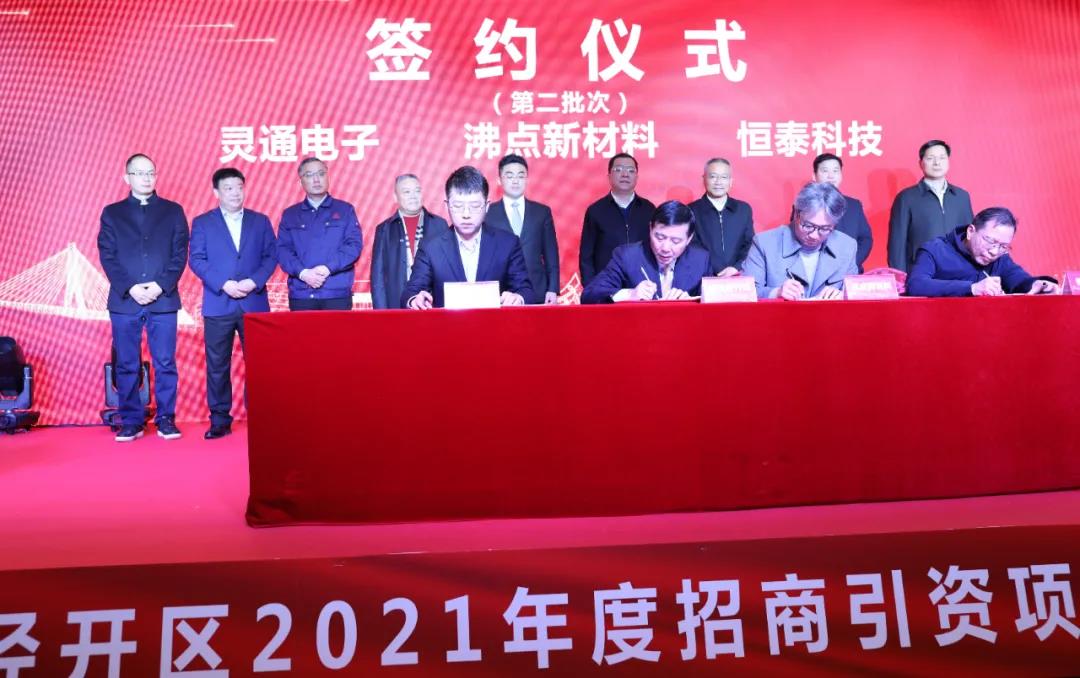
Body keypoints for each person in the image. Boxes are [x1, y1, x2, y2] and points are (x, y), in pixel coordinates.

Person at [97, 153, 188, 442]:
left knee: (165, 363)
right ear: (127, 177)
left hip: (164, 299)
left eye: (151, 172)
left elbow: (179, 254)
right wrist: (130, 287)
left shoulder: (173, 211)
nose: (146, 178)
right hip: (125, 300)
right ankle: (131, 421)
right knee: (126, 363)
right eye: (139, 173)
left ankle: (166, 419)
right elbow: (108, 255)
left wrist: (161, 286)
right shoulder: (112, 213)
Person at [189, 167, 277, 440]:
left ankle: (261, 417)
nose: (235, 193)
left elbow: (271, 256)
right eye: (228, 188)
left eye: (239, 187)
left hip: (254, 302)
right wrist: (223, 283)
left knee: (260, 364)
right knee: (217, 365)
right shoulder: (203, 223)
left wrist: (254, 281)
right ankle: (219, 420)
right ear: (216, 192)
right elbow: (197, 259)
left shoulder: (260, 221)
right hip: (219, 303)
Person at [402, 166, 533, 309]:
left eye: (475, 206)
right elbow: (410, 292)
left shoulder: (508, 243)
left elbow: (526, 291)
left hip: (495, 323)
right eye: (458, 206)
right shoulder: (431, 247)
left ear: (487, 206)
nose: (466, 214)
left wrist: (518, 298)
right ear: (447, 206)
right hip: (447, 323)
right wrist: (415, 300)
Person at [742, 182, 858, 300]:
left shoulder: (847, 247)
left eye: (824, 229)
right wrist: (776, 293)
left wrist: (843, 295)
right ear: (796, 213)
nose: (814, 235)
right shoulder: (764, 243)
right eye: (808, 226)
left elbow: (855, 292)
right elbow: (747, 293)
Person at [906, 207, 1059, 297]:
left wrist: (1039, 284)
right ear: (971, 231)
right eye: (990, 241)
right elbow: (916, 285)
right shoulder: (935, 250)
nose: (994, 252)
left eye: (1003, 246)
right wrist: (972, 288)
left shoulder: (1001, 258)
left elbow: (1019, 280)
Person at [582, 200, 712, 303]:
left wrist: (691, 302)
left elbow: (713, 301)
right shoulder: (627, 257)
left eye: (675, 241)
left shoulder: (700, 260)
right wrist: (629, 294)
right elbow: (589, 295)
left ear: (689, 239)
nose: (665, 248)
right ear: (650, 228)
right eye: (659, 237)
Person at [276, 157, 362, 310]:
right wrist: (303, 273)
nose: (316, 179)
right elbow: (283, 251)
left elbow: (353, 246)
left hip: (336, 294)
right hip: (302, 294)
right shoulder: (290, 214)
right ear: (300, 181)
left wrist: (327, 268)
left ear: (328, 177)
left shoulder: (345, 210)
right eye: (309, 175)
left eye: (321, 174)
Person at [887, 139, 973, 273]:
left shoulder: (962, 196)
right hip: (921, 271)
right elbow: (897, 243)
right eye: (930, 158)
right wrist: (899, 276)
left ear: (948, 161)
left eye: (942, 158)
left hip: (959, 271)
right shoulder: (906, 197)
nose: (937, 163)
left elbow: (970, 236)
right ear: (921, 163)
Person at [486, 154, 560, 304]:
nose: (515, 180)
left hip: (537, 290)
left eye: (520, 176)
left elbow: (551, 254)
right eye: (509, 176)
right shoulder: (488, 213)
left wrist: (552, 288)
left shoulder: (542, 212)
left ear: (527, 179)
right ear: (499, 180)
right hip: (500, 292)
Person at [369, 174, 449, 309]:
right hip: (396, 305)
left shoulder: (439, 225)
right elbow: (378, 276)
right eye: (407, 192)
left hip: (432, 304)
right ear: (395, 197)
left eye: (417, 191)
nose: (413, 196)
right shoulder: (384, 229)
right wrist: (381, 313)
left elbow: (447, 269)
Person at [578, 153, 656, 285]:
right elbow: (586, 255)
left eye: (631, 171)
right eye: (618, 169)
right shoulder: (595, 210)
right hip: (607, 285)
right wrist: (591, 287)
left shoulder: (649, 209)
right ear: (609, 176)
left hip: (643, 284)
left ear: (637, 177)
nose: (625, 174)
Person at [688, 157, 755, 276]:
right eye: (713, 176)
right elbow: (692, 245)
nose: (718, 182)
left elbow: (749, 243)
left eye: (724, 177)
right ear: (704, 179)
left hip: (738, 275)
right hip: (703, 276)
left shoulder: (743, 209)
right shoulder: (691, 210)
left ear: (731, 181)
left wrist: (736, 267)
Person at [810, 153, 873, 271]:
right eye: (825, 171)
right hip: (815, 272)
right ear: (814, 176)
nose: (831, 176)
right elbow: (799, 239)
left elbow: (865, 239)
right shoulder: (805, 205)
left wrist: (851, 263)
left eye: (835, 171)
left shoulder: (854, 205)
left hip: (850, 272)